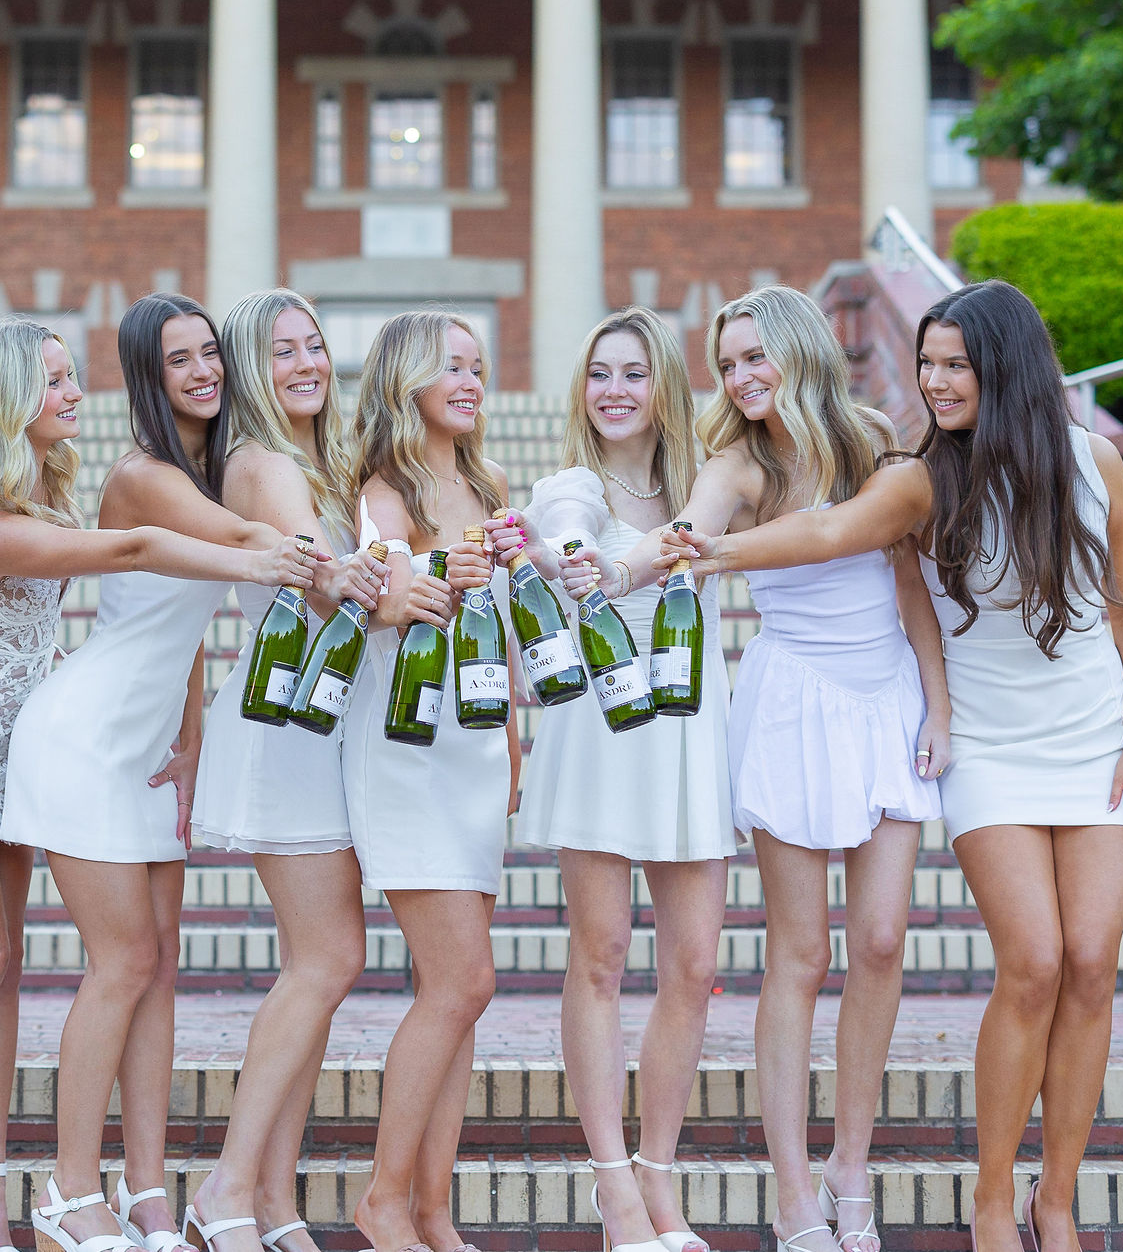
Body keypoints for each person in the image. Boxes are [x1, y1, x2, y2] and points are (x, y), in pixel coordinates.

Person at [660, 279, 1123, 1252]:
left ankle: (1052, 1200)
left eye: (951, 366)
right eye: (923, 363)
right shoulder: (924, 473)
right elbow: (822, 533)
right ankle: (981, 1199)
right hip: (983, 748)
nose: (930, 382)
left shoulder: (1095, 463)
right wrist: (691, 554)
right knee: (1033, 963)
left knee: (1090, 967)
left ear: (1003, 368)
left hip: (1091, 738)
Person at [0, 318, 314, 1252]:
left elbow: (157, 619)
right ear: (3, 403)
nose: (75, 395)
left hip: (27, 726)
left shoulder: (41, 490)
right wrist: (258, 558)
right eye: (54, 384)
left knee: (15, 965)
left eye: (74, 378)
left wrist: (186, 734)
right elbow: (126, 555)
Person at [609, 285, 950, 1252]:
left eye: (756, 355)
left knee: (880, 938)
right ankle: (793, 1186)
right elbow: (683, 533)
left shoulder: (875, 435)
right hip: (792, 700)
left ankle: (852, 1161)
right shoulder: (738, 461)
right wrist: (625, 566)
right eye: (728, 363)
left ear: (800, 351)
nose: (742, 377)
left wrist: (941, 701)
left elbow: (906, 577)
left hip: (886, 698)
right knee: (800, 953)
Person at [0, 295, 330, 1252]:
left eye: (212, 354)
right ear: (148, 375)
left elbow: (183, 631)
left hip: (144, 751)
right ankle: (66, 1193)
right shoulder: (147, 477)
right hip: (83, 739)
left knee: (160, 968)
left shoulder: (204, 466)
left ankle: (147, 1194)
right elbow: (235, 542)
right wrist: (326, 549)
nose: (203, 372)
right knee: (124, 962)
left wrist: (189, 739)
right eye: (179, 359)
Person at [509, 306, 732, 1252]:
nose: (614, 390)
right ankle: (613, 1188)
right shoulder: (570, 483)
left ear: (666, 388)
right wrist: (579, 554)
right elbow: (568, 532)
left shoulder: (709, 486)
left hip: (685, 733)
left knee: (695, 963)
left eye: (634, 373)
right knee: (600, 954)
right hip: (599, 726)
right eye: (599, 372)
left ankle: (659, 1174)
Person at [188, 289, 383, 1252]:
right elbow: (329, 590)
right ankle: (225, 1187)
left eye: (314, 343)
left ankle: (271, 1200)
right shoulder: (263, 465)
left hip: (325, 719)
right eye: (279, 351)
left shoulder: (317, 459)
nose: (305, 362)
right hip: (289, 721)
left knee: (320, 962)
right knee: (329, 957)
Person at [340, 310, 520, 1252]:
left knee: (464, 989)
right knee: (462, 976)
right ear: (405, 378)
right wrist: (444, 562)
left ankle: (432, 1209)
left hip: (478, 749)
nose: (470, 379)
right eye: (451, 365)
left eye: (478, 365)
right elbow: (380, 597)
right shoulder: (384, 489)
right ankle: (381, 1199)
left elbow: (503, 630)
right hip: (407, 746)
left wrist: (515, 748)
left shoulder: (487, 483)